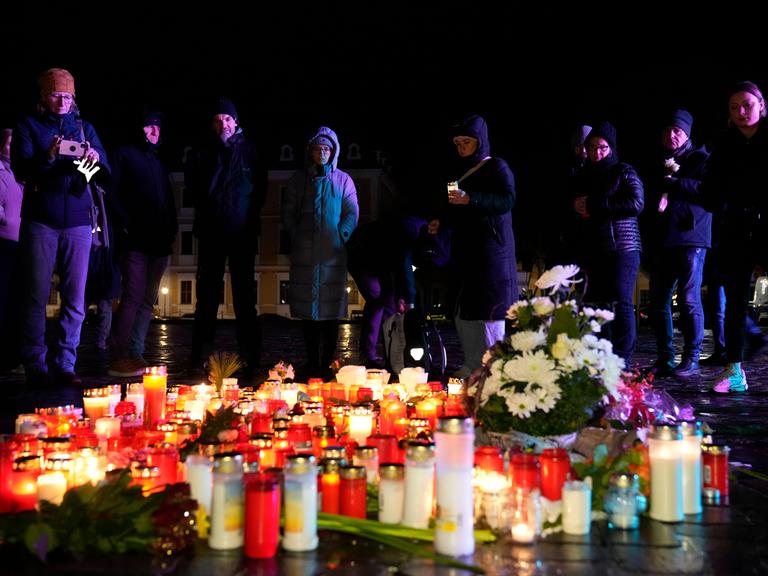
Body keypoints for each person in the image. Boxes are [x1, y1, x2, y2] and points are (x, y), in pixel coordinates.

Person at [11, 68, 108, 387]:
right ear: (44, 95)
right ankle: (35, 363)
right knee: (35, 295)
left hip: (78, 222)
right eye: (56, 94)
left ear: (74, 98)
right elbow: (21, 170)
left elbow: (105, 173)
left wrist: (92, 161)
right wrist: (50, 156)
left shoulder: (84, 128)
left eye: (68, 96)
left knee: (75, 298)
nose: (62, 101)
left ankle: (66, 362)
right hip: (41, 219)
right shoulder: (28, 126)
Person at [431, 114, 517, 378]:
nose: (461, 147)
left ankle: (494, 369)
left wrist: (472, 198)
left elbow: (507, 199)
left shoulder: (497, 167)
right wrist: (441, 222)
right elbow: (452, 208)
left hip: (492, 252)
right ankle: (471, 364)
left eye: (466, 141)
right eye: (457, 143)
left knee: (489, 313)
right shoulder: (455, 173)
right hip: (465, 253)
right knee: (464, 311)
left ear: (479, 141)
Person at [185, 98, 265, 377]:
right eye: (218, 120)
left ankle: (251, 358)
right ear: (212, 124)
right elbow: (194, 189)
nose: (223, 124)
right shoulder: (201, 152)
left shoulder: (251, 151)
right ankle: (199, 357)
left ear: (236, 122)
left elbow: (260, 192)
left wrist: (248, 219)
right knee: (206, 299)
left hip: (242, 234)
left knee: (245, 300)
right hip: (211, 232)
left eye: (228, 119)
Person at [703, 81, 768, 393]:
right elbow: (710, 192)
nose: (741, 112)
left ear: (761, 106)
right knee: (735, 303)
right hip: (736, 229)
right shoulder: (724, 146)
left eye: (747, 105)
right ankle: (735, 370)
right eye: (734, 107)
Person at [281, 126, 359, 381]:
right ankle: (312, 361)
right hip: (305, 254)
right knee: (309, 317)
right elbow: (288, 211)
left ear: (332, 152)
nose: (321, 153)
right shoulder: (298, 180)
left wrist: (341, 234)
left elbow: (351, 210)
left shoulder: (343, 180)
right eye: (317, 149)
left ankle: (326, 362)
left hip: (332, 253)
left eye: (326, 149)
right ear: (310, 152)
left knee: (331, 315)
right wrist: (295, 235)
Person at [108, 112, 177, 377]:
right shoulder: (124, 154)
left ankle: (136, 353)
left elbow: (168, 200)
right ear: (139, 128)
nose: (154, 131)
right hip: (135, 239)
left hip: (159, 241)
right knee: (133, 296)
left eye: (158, 127)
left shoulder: (159, 163)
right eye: (149, 126)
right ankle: (119, 355)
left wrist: (171, 229)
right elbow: (111, 191)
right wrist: (124, 223)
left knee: (148, 300)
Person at [572, 121, 643, 365]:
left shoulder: (624, 171)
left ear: (611, 148)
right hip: (594, 249)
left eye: (602, 148)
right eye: (592, 148)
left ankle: (624, 358)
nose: (597, 153)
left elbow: (635, 203)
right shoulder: (584, 175)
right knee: (595, 303)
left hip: (623, 246)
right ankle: (600, 355)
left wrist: (594, 205)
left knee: (621, 301)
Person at [646, 110, 710, 378]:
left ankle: (691, 357)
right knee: (658, 301)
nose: (671, 135)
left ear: (687, 133)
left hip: (691, 237)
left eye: (677, 131)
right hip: (664, 240)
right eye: (667, 130)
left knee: (688, 299)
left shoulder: (702, 159)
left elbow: (709, 191)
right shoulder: (659, 162)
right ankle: (665, 358)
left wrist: (676, 183)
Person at [0, 127, 23, 371]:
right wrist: (4, 219)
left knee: (18, 302)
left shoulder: (22, 172)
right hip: (3, 242)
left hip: (22, 244)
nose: (12, 147)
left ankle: (13, 354)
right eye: (9, 142)